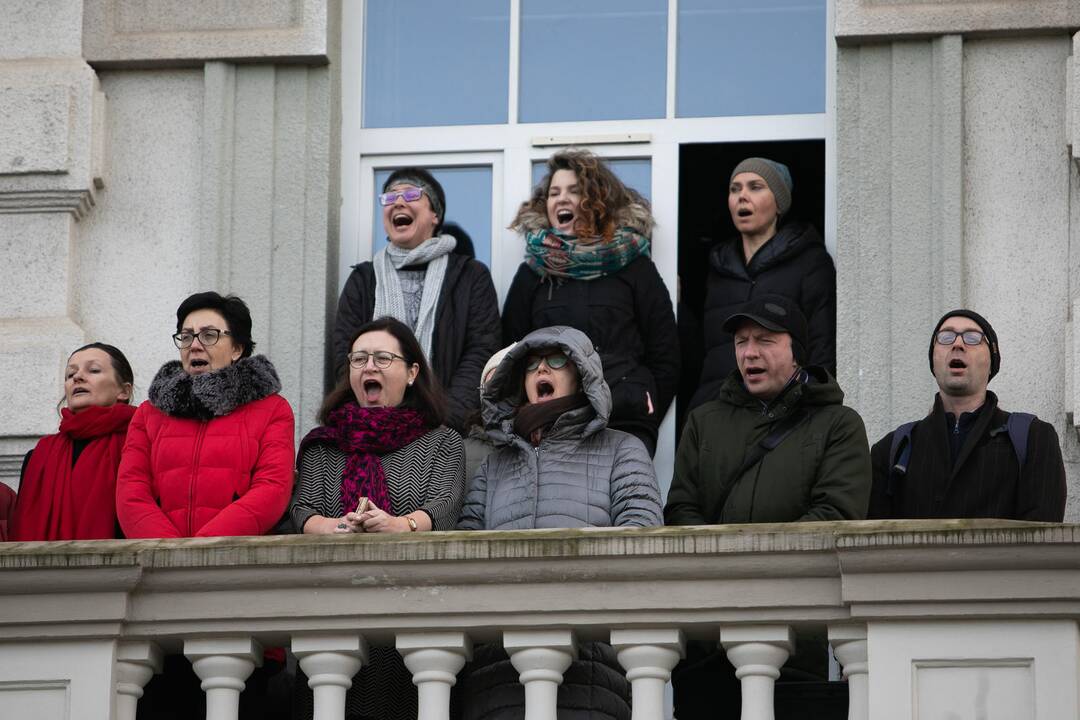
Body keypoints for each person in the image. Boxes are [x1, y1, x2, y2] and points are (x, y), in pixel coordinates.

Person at [665, 295, 869, 720]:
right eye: (741, 341)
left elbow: (836, 517)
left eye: (765, 340)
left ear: (797, 351)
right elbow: (682, 511)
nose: (749, 352)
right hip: (709, 644)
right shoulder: (704, 420)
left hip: (798, 642)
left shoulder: (838, 424)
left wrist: (753, 568)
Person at [458, 325, 661, 720]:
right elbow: (465, 555)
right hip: (496, 676)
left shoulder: (622, 450)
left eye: (556, 361)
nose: (540, 371)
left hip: (593, 671)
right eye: (531, 365)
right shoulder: (494, 466)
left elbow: (643, 542)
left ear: (582, 374)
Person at [288, 316, 465, 720]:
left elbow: (446, 505)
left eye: (383, 358)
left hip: (414, 615)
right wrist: (337, 527)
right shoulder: (322, 445)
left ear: (412, 372)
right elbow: (301, 511)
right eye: (359, 359)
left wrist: (398, 526)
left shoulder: (441, 441)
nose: (369, 367)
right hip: (329, 615)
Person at [502, 149, 679, 456]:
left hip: (624, 422)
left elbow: (666, 352)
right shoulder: (533, 273)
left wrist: (645, 405)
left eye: (574, 191)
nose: (561, 199)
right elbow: (509, 353)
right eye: (554, 193)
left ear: (598, 200)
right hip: (551, 427)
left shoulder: (634, 266)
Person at [333, 168, 500, 433]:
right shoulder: (364, 279)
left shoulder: (471, 276)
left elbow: (481, 350)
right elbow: (345, 354)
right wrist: (370, 420)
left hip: (447, 430)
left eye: (411, 194)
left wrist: (444, 422)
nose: (398, 202)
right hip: (373, 432)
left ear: (435, 214)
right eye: (389, 198)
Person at [117, 292, 295, 538]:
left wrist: (204, 549)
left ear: (237, 349)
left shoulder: (272, 409)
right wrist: (168, 551)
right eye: (187, 336)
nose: (195, 345)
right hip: (160, 564)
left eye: (209, 335)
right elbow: (131, 491)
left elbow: (273, 488)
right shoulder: (149, 414)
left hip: (234, 563)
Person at [869, 309, 1066, 521]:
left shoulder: (1034, 438)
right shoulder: (891, 450)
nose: (958, 344)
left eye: (973, 338)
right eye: (946, 337)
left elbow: (1041, 541)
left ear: (992, 361)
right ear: (933, 361)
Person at [690, 158, 835, 411]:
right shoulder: (717, 267)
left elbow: (822, 347)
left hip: (782, 414)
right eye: (735, 189)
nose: (742, 196)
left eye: (755, 187)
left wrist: (809, 409)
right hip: (718, 411)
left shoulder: (809, 261)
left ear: (779, 202)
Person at [9, 343, 135, 541]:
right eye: (70, 374)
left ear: (124, 391)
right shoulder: (38, 457)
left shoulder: (140, 445)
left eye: (93, 370)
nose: (77, 377)